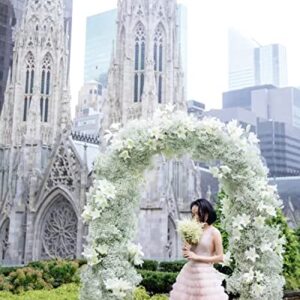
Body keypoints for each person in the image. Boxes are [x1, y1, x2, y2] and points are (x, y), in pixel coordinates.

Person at [170, 198, 228, 300]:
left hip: (205, 274)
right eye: (193, 215)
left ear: (207, 213)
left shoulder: (214, 232)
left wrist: (197, 257)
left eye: (198, 214)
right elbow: (187, 252)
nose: (195, 217)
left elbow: (220, 257)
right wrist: (186, 250)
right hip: (189, 273)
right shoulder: (193, 230)